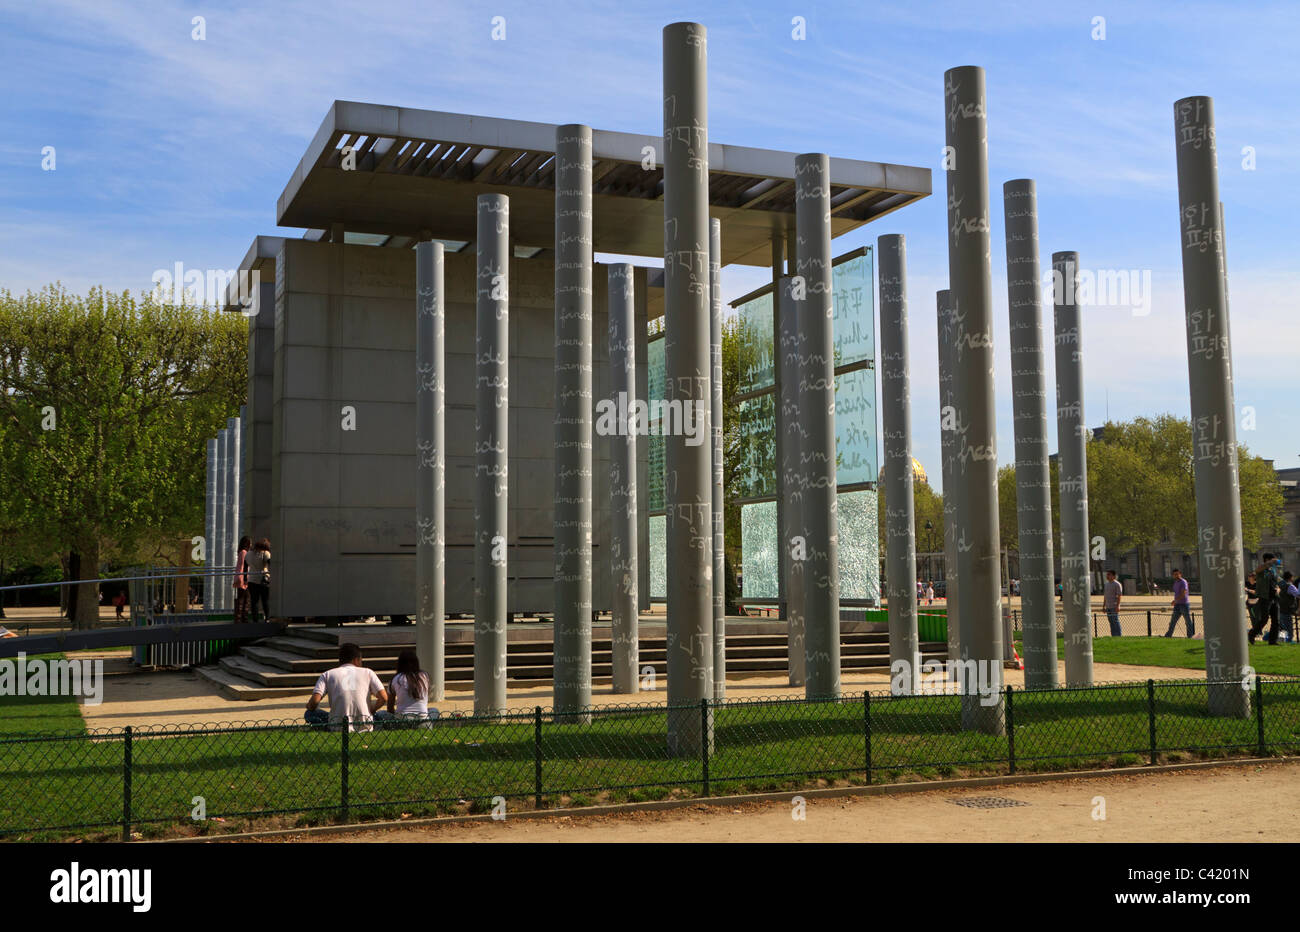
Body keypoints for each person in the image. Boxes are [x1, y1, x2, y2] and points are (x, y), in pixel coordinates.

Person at [305, 643, 388, 732]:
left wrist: (309, 706)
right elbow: (383, 697)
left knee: (309, 714)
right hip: (365, 724)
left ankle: (324, 727)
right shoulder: (368, 672)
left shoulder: (328, 674)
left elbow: (315, 701)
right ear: (356, 660)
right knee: (382, 714)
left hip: (337, 724)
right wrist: (372, 709)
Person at [375, 648, 441, 727]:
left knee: (379, 714)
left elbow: (390, 707)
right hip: (423, 722)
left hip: (401, 722)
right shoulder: (424, 676)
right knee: (434, 710)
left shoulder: (396, 679)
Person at [1249, 553, 1280, 645]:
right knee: (1264, 619)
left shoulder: (1273, 570)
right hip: (1265, 597)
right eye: (1272, 560)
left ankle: (1272, 641)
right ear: (1267, 560)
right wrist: (1271, 562)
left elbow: (1277, 581)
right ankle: (1252, 634)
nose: (1274, 562)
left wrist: (1278, 589)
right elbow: (1257, 570)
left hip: (1274, 597)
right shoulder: (1261, 570)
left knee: (1276, 620)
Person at [244, 538, 271, 621]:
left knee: (254, 601)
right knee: (265, 601)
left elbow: (245, 567)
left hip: (251, 579)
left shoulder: (248, 554)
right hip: (263, 580)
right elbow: (271, 563)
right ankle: (267, 618)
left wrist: (245, 578)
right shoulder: (265, 553)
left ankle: (255, 620)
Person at [1163, 568, 1194, 638]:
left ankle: (1190, 636)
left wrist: (1175, 600)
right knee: (1173, 621)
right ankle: (1168, 635)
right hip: (1177, 605)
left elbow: (1184, 593)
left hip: (1184, 604)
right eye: (1174, 574)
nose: (1176, 575)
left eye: (1177, 574)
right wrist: (1176, 601)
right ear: (1173, 575)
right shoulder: (1176, 582)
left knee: (1188, 621)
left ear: (1180, 574)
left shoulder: (1183, 582)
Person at [233, 536, 251, 623]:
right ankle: (242, 618)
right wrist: (245, 579)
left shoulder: (241, 552)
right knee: (245, 599)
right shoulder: (244, 552)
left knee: (241, 598)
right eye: (250, 542)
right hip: (243, 577)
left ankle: (239, 617)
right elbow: (245, 566)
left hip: (239, 577)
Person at [1278, 571, 1299, 645]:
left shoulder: (1280, 584)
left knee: (1282, 627)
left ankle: (1284, 640)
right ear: (1290, 577)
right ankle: (1289, 641)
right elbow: (1298, 594)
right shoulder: (1290, 586)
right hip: (1288, 609)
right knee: (1289, 628)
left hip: (1280, 608)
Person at [1103, 570, 1123, 637]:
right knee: (1111, 622)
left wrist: (1118, 606)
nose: (1107, 576)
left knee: (1115, 621)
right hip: (1108, 606)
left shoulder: (1117, 584)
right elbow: (1105, 596)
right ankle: (1113, 636)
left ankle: (1118, 635)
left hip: (1114, 606)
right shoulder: (1106, 584)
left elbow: (1119, 596)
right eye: (1107, 574)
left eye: (1109, 574)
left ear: (1114, 576)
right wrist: (1104, 606)